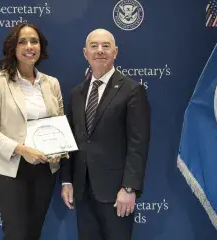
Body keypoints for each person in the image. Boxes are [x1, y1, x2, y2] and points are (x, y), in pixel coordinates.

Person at [60, 28, 151, 240]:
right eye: (94, 46)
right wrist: (66, 181)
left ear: (116, 52)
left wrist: (129, 188)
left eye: (106, 46)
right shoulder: (76, 93)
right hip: (82, 191)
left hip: (116, 193)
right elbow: (70, 140)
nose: (100, 51)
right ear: (85, 53)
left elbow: (139, 143)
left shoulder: (132, 90)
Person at [0, 23, 64, 240]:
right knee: (16, 234)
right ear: (13, 48)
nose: (29, 46)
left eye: (34, 41)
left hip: (44, 170)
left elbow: (59, 125)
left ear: (41, 47)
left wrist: (60, 148)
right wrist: (22, 149)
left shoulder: (51, 83)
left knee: (34, 233)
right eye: (22, 41)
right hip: (9, 170)